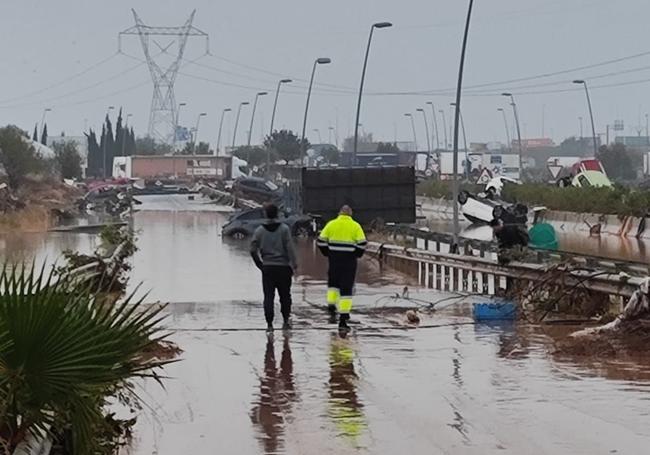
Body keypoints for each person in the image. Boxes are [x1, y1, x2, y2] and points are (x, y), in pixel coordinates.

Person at [317, 205, 367, 331]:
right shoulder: (355, 226)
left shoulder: (331, 224)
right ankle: (344, 316)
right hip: (349, 261)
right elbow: (362, 243)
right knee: (346, 288)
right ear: (351, 214)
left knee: (333, 283)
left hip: (334, 260)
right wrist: (357, 254)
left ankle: (331, 305)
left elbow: (320, 241)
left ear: (339, 213)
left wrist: (327, 252)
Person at [250, 203, 297, 332]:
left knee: (268, 297)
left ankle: (269, 325)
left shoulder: (260, 231)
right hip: (283, 268)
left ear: (265, 214)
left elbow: (252, 249)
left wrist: (259, 264)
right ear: (277, 214)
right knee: (285, 296)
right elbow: (290, 248)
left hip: (268, 268)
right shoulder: (284, 229)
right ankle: (286, 320)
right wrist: (294, 264)